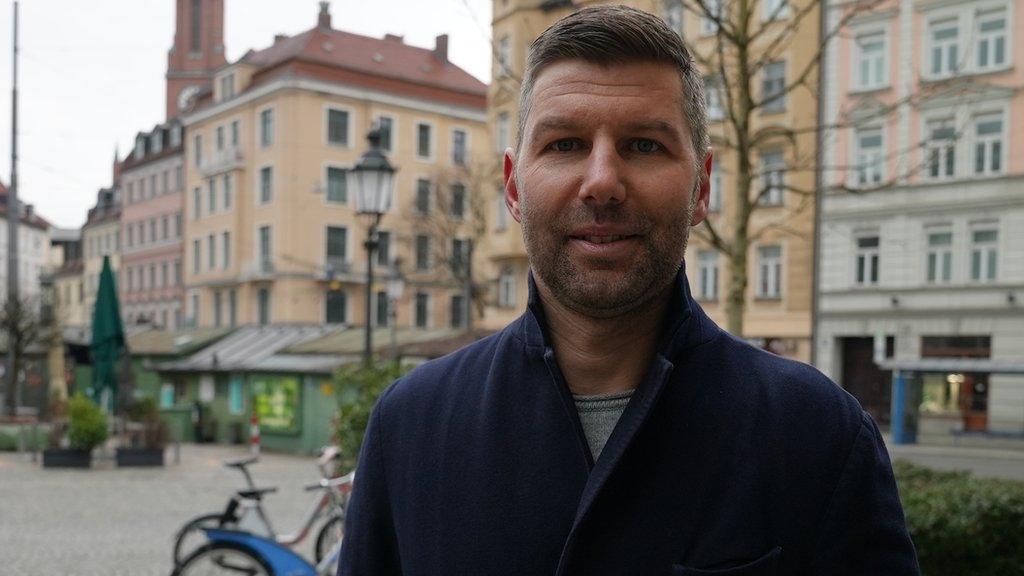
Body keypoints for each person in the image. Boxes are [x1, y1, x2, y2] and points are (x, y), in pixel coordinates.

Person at [339, 6, 919, 575]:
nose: (602, 182)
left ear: (701, 188)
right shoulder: (409, 426)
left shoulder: (818, 435)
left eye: (644, 145)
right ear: (513, 188)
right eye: (564, 144)